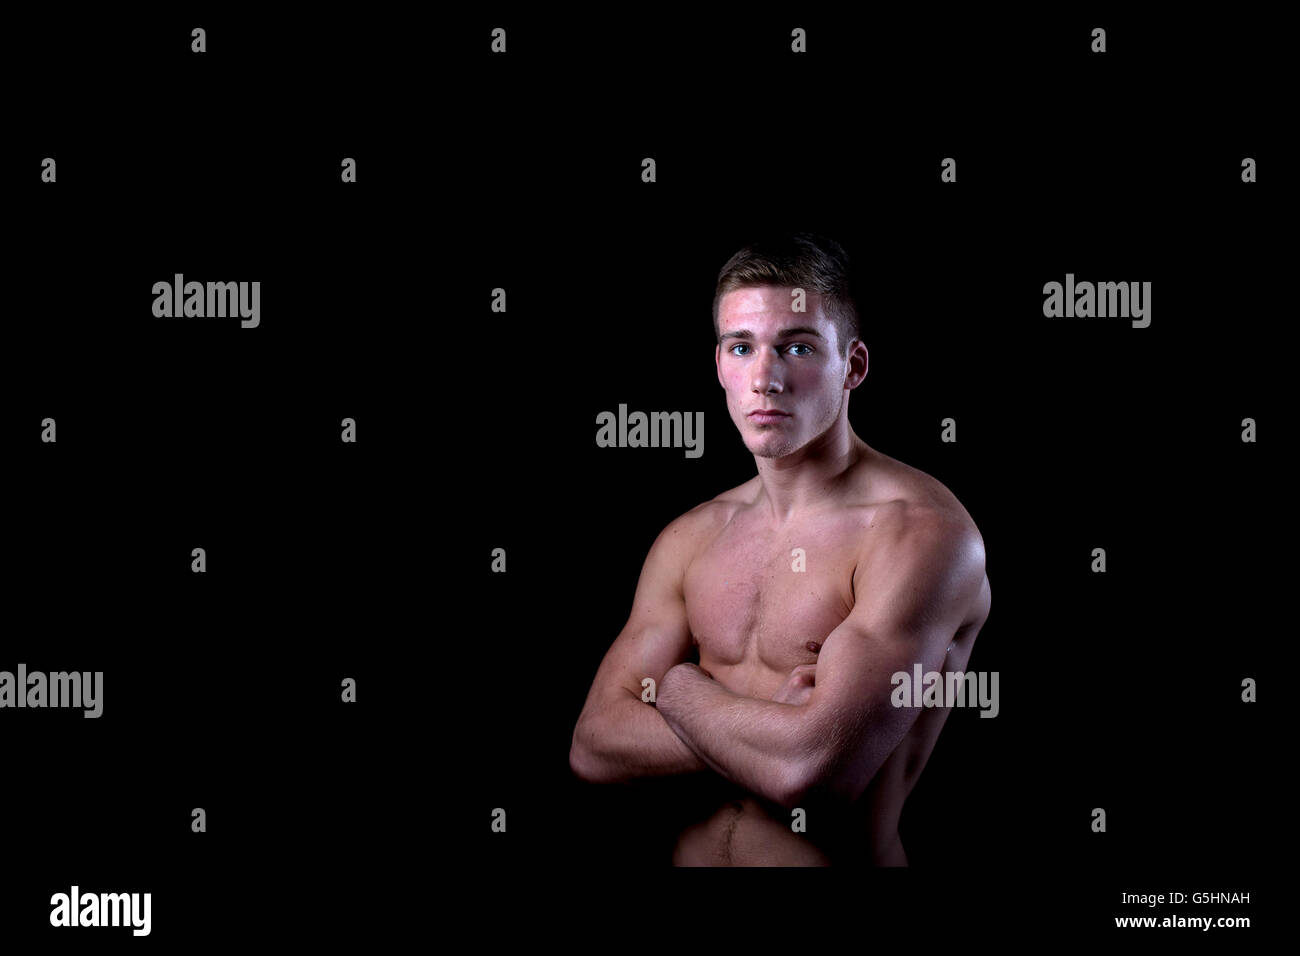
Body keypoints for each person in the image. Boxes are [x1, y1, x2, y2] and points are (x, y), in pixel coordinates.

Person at [569, 232, 991, 865]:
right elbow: (594, 745)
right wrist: (769, 721)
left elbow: (811, 772)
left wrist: (682, 688)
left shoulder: (920, 533)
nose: (765, 379)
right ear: (719, 366)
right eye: (742, 347)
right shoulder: (693, 535)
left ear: (853, 366)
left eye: (797, 346)